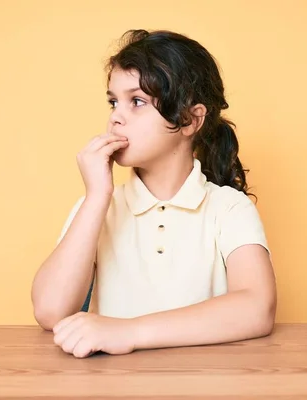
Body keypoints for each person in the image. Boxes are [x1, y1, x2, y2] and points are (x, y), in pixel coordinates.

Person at [31, 29, 276, 358]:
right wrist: (96, 197)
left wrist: (128, 331)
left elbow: (257, 308)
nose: (116, 116)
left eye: (137, 101)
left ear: (190, 119)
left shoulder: (229, 208)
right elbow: (50, 311)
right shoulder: (97, 207)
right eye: (113, 101)